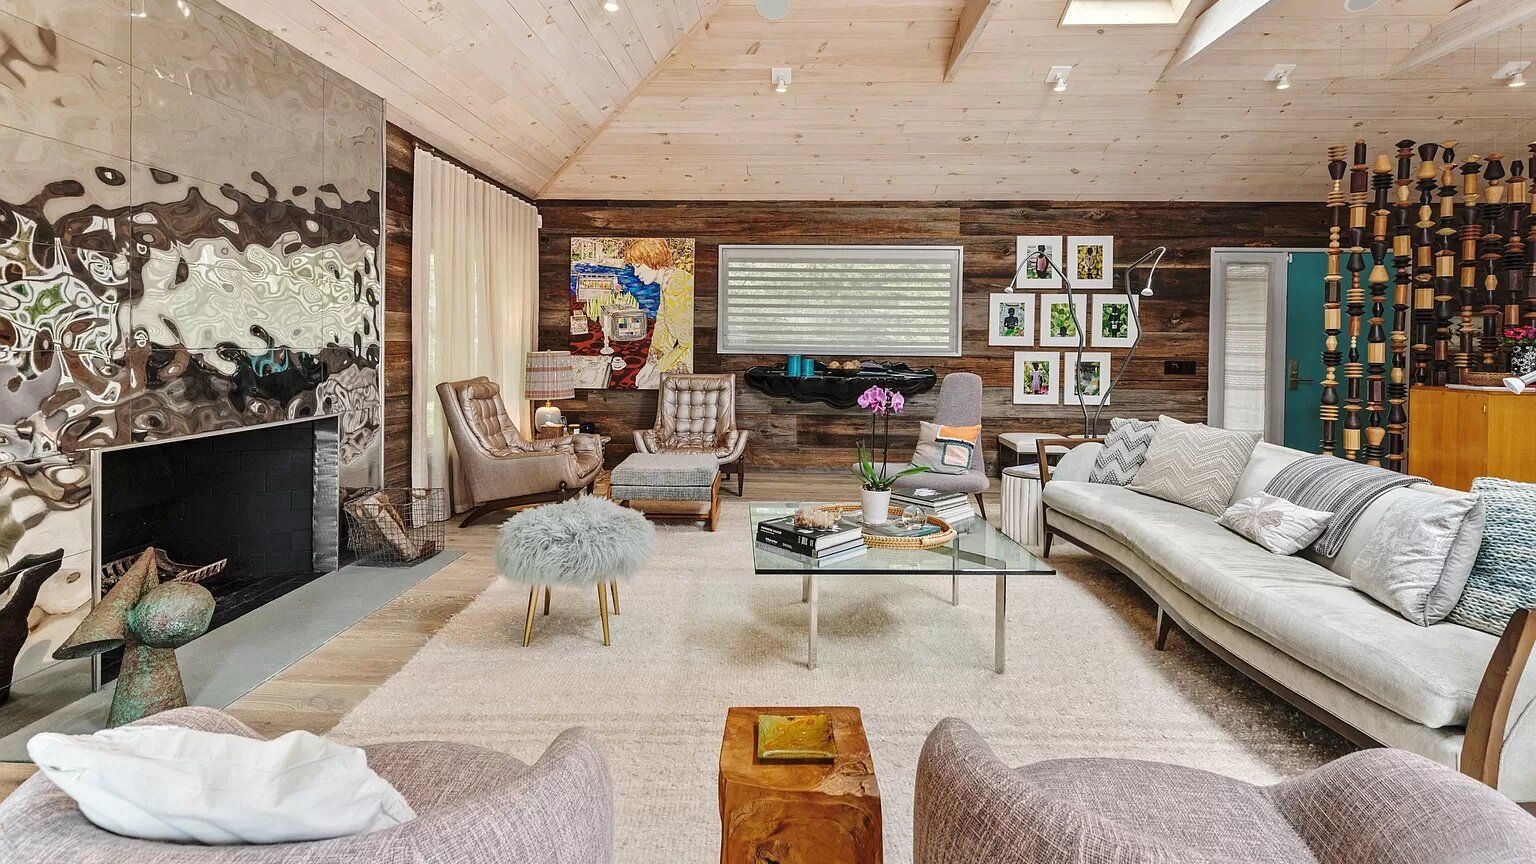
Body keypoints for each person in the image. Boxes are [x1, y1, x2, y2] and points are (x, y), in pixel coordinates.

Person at [625, 239, 694, 390]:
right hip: (683, 350)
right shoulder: (668, 282)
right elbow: (663, 326)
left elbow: (688, 337)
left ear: (653, 258)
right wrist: (650, 365)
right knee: (645, 381)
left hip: (692, 356)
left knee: (647, 387)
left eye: (638, 266)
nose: (636, 273)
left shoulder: (680, 284)